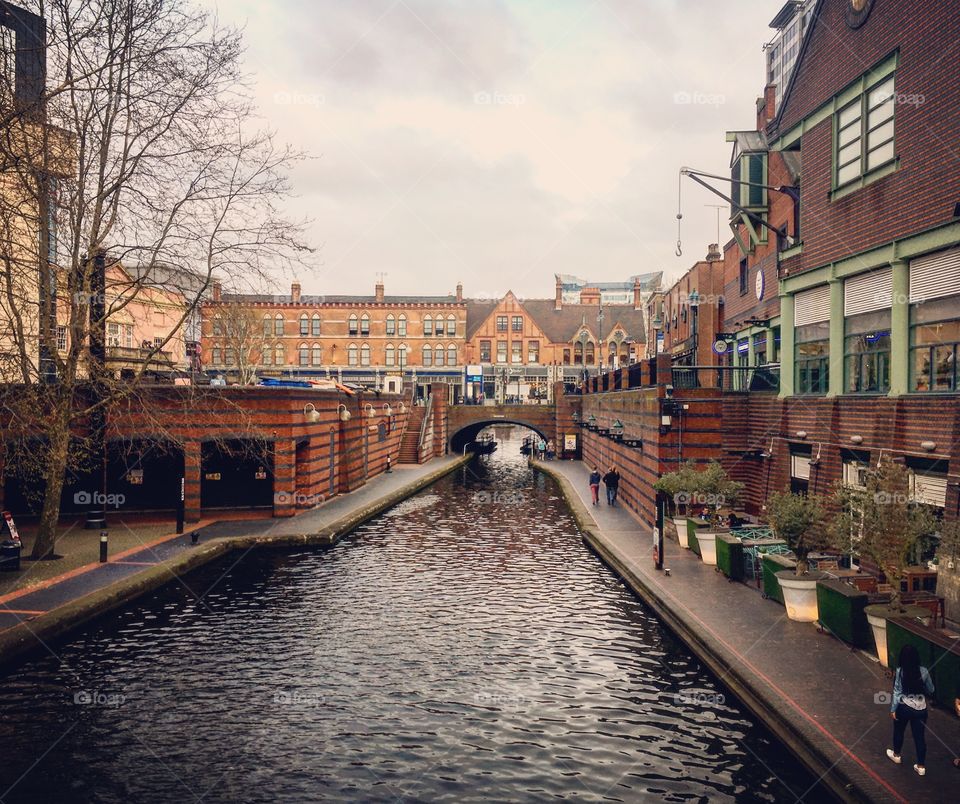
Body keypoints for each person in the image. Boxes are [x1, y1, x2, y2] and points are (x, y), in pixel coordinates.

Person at [886, 643, 935, 776]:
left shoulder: (900, 671)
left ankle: (896, 755)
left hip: (904, 707)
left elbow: (897, 691)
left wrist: (893, 709)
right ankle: (921, 767)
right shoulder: (924, 671)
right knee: (919, 738)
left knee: (899, 731)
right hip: (921, 709)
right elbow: (931, 689)